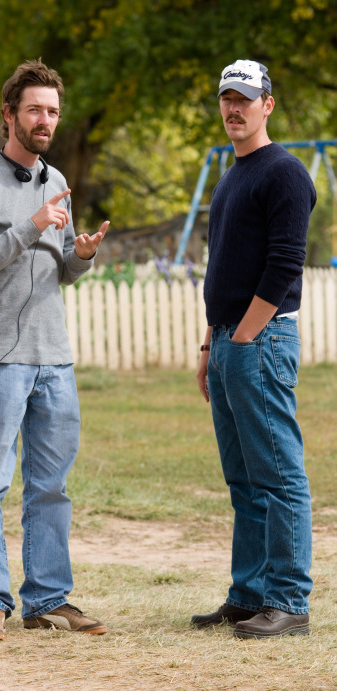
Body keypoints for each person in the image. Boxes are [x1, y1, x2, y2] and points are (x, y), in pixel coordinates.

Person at [0, 59, 110, 643]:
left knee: (51, 486)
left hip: (54, 361)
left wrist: (82, 255)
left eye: (54, 111)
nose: (47, 120)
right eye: (36, 109)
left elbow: (57, 271)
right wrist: (28, 227)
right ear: (9, 115)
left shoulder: (56, 177)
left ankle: (48, 599)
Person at [191, 60, 316, 639]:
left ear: (268, 103)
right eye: (226, 98)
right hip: (227, 341)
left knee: (279, 475)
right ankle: (249, 595)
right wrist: (210, 341)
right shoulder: (231, 173)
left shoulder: (285, 173)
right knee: (243, 479)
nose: (233, 108)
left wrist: (244, 334)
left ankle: (289, 601)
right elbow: (226, 267)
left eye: (245, 97)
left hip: (261, 341)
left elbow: (286, 263)